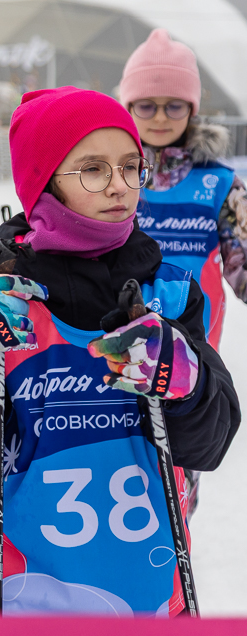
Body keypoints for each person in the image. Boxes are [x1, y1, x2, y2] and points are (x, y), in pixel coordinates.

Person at [0, 87, 239, 616]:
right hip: (22, 595)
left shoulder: (167, 293)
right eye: (93, 169)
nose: (120, 186)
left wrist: (188, 381)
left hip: (148, 598)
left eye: (132, 167)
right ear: (43, 182)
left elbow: (209, 446)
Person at [120, 30, 247, 517]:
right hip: (102, 354)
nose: (158, 117)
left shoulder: (217, 183)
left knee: (171, 504)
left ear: (192, 110)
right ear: (127, 106)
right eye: (145, 105)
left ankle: (168, 589)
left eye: (174, 106)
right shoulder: (109, 174)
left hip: (186, 364)